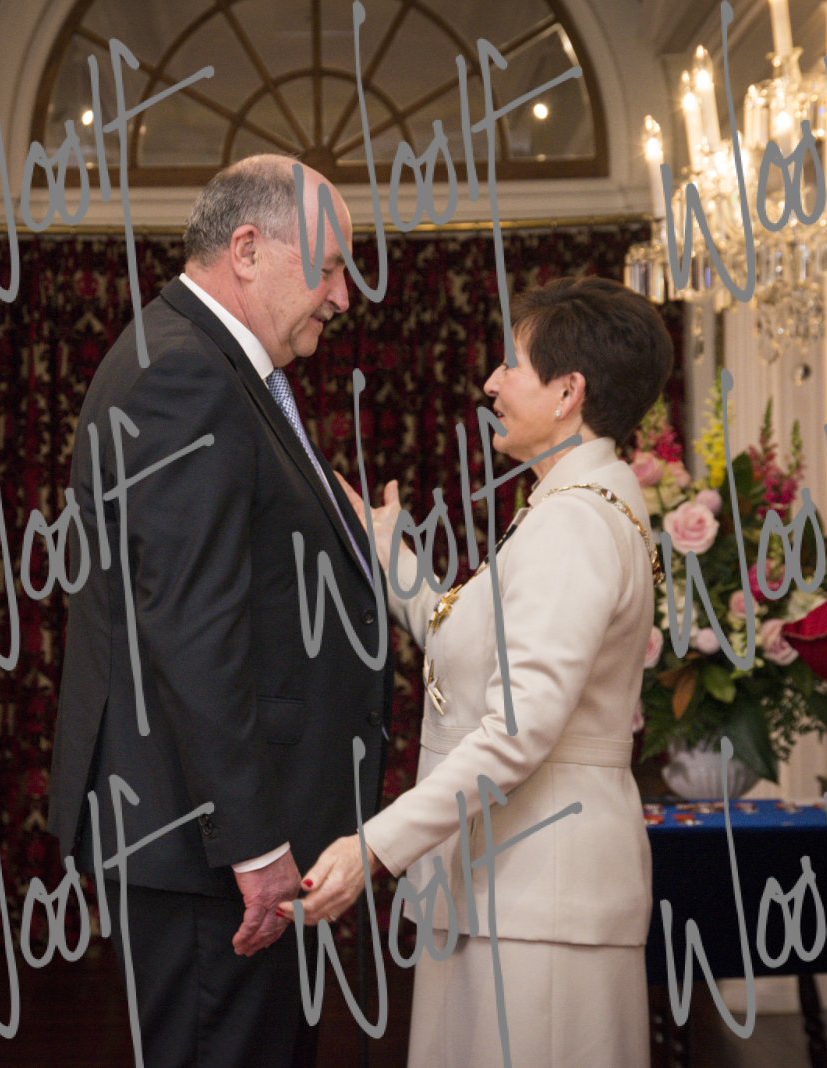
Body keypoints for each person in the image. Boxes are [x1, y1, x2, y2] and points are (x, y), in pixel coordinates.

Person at [46, 155, 391, 1068]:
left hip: (215, 839)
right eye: (329, 268)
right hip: (212, 850)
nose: (342, 296)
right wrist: (255, 845)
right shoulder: (187, 375)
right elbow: (195, 630)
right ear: (247, 249)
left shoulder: (204, 361)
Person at [290, 276, 672, 1066]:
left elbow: (516, 730)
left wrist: (372, 847)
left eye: (511, 364)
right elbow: (472, 643)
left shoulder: (573, 523)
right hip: (516, 891)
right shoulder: (575, 504)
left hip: (537, 898)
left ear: (567, 392)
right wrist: (390, 554)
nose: (491, 384)